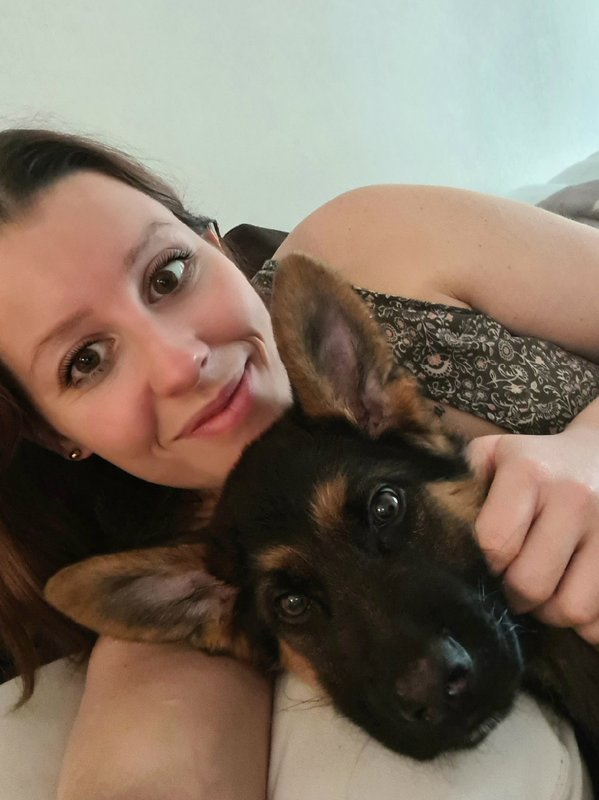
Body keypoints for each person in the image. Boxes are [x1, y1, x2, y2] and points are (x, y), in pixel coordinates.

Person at [0, 127, 597, 800]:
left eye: (166, 275)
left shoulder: (370, 246)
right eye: (86, 360)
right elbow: (148, 762)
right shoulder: (191, 581)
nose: (180, 362)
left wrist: (589, 449)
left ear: (214, 244)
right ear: (53, 432)